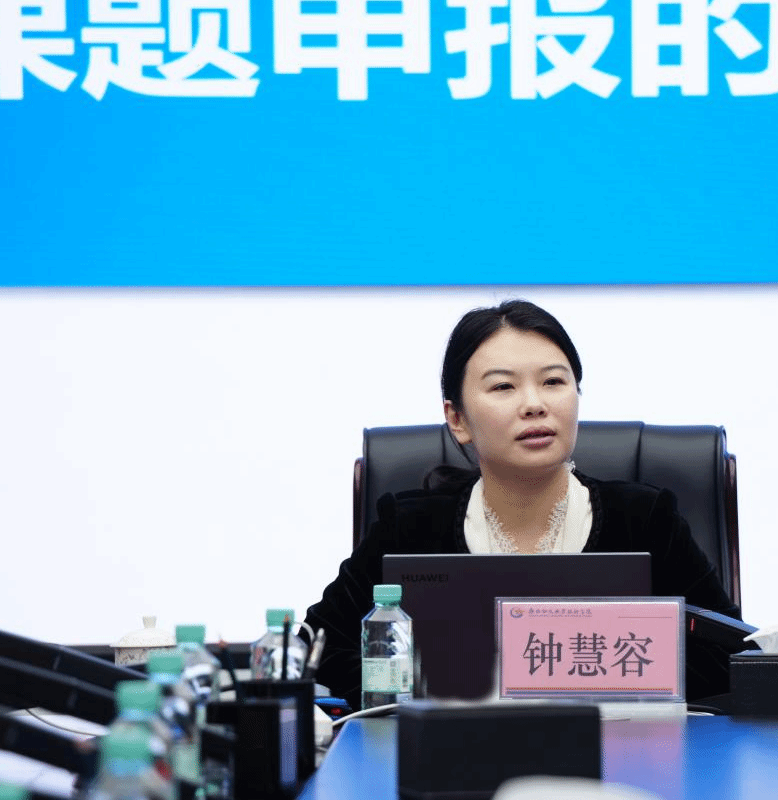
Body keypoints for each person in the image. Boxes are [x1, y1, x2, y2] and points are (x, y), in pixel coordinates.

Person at [302, 299, 739, 704]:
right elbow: (321, 647)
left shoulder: (645, 521)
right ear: (457, 419)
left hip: (617, 752)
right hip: (452, 752)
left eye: (553, 382)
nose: (534, 404)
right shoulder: (408, 528)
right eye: (503, 387)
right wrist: (427, 688)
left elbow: (731, 654)